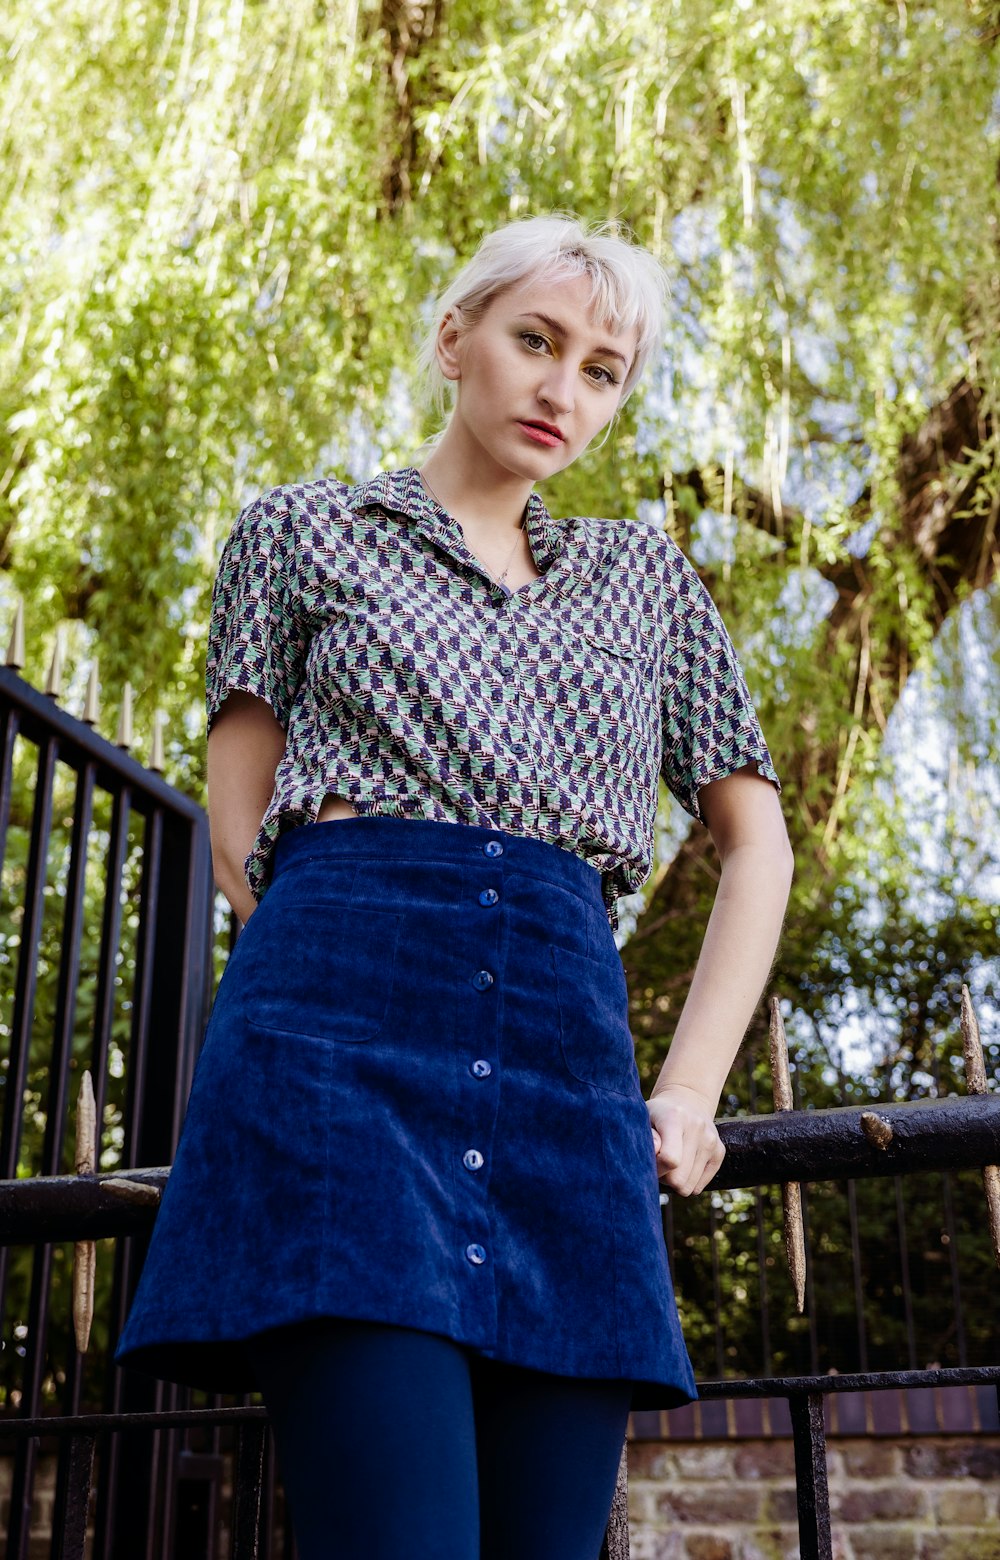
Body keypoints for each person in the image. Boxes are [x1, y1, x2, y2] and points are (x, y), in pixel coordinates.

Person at [116, 214, 793, 1560]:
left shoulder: (646, 583)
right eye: (535, 341)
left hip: (564, 1065)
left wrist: (692, 1090)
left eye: (603, 369)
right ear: (455, 338)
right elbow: (241, 822)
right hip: (335, 1053)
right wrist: (349, 955)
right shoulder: (304, 534)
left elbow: (756, 841)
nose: (562, 389)